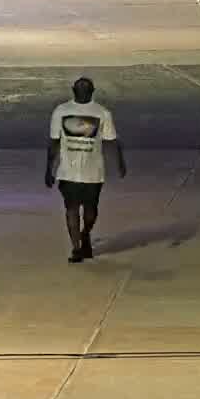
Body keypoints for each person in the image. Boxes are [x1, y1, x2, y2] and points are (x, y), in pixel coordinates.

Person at [45, 77, 127, 263]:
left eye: (86, 87)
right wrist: (49, 169)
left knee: (91, 211)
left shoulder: (102, 113)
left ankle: (85, 233)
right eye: (80, 87)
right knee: (71, 209)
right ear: (73, 89)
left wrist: (120, 162)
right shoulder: (61, 111)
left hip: (93, 172)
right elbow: (53, 141)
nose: (82, 90)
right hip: (68, 172)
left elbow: (112, 140)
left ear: (93, 91)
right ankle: (76, 248)